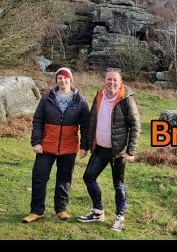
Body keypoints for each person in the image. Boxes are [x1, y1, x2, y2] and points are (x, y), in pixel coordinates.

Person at [23, 67, 90, 223]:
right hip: (46, 145)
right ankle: (36, 211)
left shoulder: (80, 101)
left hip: (69, 146)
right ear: (56, 80)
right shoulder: (47, 98)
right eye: (59, 77)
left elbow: (86, 125)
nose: (63, 80)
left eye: (66, 77)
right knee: (39, 177)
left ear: (71, 79)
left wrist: (85, 146)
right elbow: (38, 120)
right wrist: (36, 142)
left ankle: (61, 209)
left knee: (64, 178)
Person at [77, 68, 141, 231]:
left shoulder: (126, 100)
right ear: (104, 81)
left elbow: (135, 126)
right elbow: (91, 120)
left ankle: (120, 218)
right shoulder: (99, 95)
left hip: (117, 152)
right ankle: (98, 212)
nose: (111, 83)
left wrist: (131, 152)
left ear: (120, 83)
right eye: (109, 80)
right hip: (99, 148)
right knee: (89, 177)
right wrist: (85, 146)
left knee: (118, 184)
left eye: (115, 80)